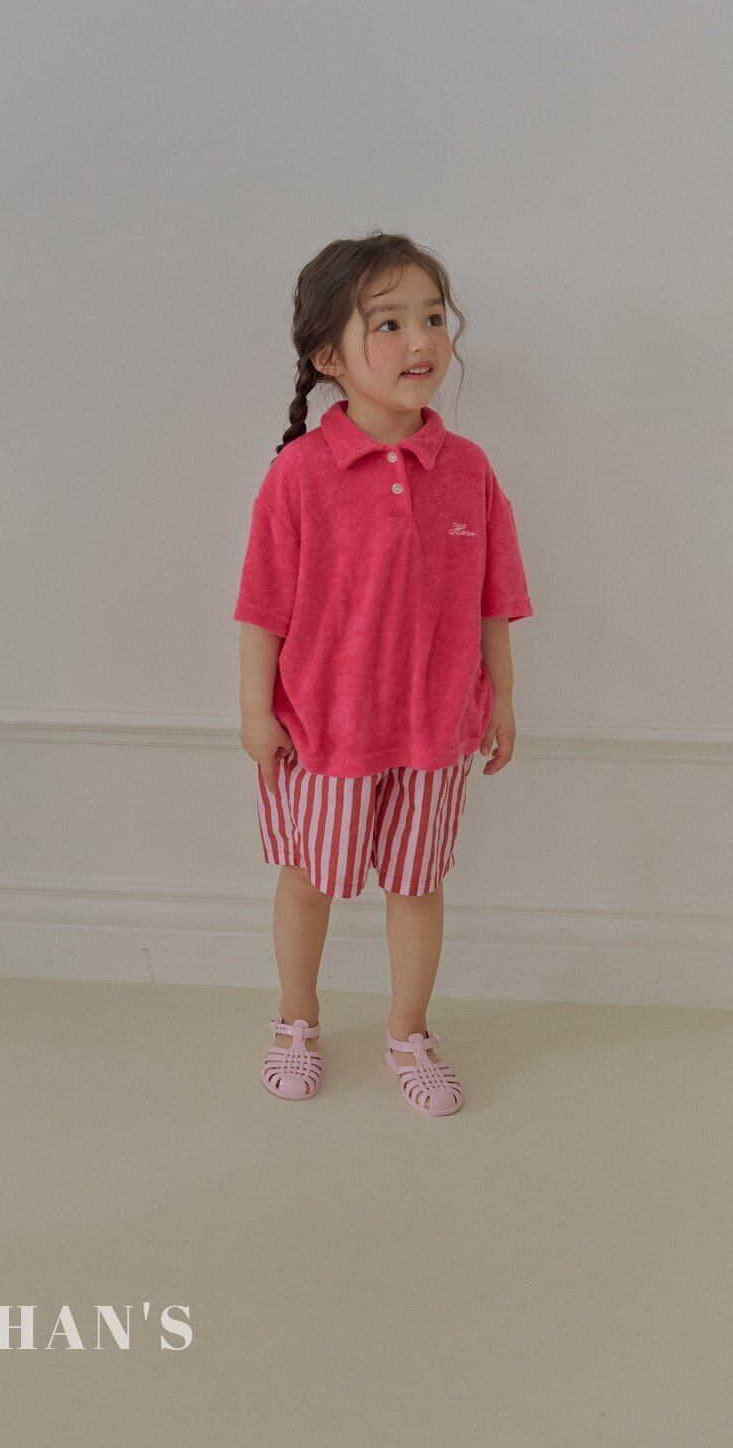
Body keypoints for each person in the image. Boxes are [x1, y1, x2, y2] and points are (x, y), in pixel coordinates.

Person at [233, 231, 532, 1116]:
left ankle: (408, 1031)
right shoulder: (299, 474)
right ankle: (297, 1019)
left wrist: (502, 697)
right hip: (324, 729)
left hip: (436, 726)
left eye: (433, 318)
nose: (421, 341)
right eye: (390, 323)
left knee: (418, 883)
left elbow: (493, 596)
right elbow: (261, 606)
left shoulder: (469, 469)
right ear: (329, 356)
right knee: (308, 879)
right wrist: (255, 711)